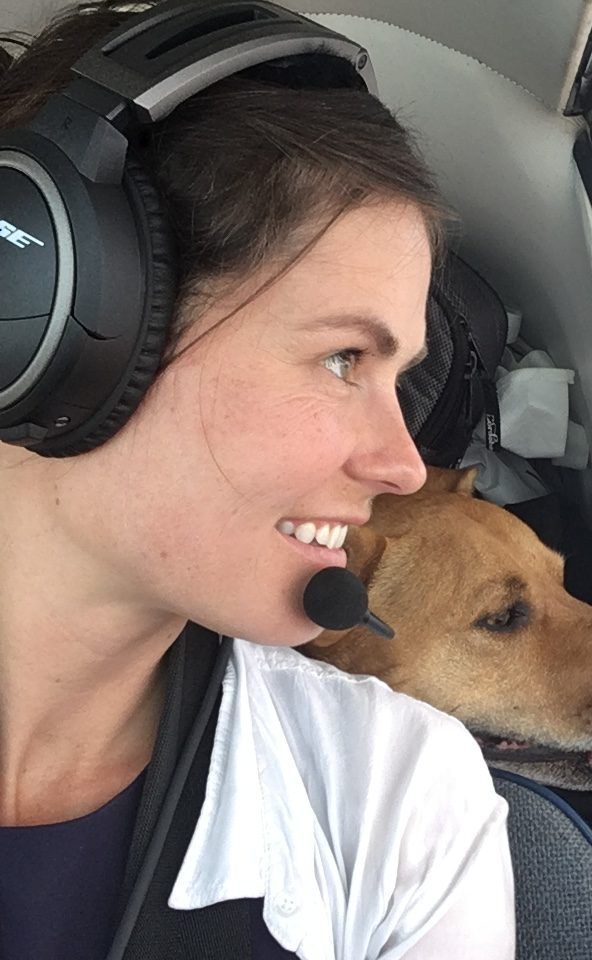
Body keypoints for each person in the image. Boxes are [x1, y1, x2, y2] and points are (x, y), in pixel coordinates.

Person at [0, 2, 515, 958]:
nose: (401, 464)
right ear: (49, 314)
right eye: (341, 359)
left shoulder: (393, 797)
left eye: (397, 379)